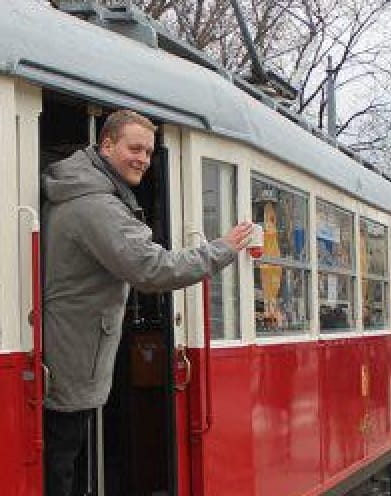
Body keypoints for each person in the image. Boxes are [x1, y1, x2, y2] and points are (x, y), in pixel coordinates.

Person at [42, 109, 253, 496]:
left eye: (150, 151)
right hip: (73, 355)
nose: (143, 158)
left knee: (66, 459)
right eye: (134, 148)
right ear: (106, 145)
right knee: (62, 464)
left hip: (70, 349)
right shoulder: (97, 206)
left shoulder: (84, 191)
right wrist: (221, 250)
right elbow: (152, 269)